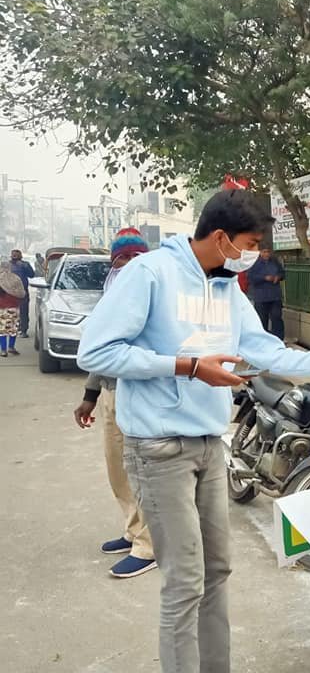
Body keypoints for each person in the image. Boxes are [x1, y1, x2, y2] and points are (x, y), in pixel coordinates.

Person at [77, 190, 310, 673]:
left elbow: (266, 350)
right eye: (252, 243)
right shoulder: (149, 275)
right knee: (185, 580)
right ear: (221, 238)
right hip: (158, 447)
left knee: (216, 570)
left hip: (208, 444)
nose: (256, 254)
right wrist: (189, 367)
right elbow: (94, 353)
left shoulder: (226, 290)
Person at [73, 229, 156, 578]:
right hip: (110, 392)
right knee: (117, 469)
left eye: (136, 257)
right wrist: (89, 397)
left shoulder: (151, 295)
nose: (128, 264)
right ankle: (132, 529)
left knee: (140, 471)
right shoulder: (111, 294)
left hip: (137, 394)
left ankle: (150, 545)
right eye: (122, 259)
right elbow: (100, 350)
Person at [247, 247, 285, 340]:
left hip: (275, 296)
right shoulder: (254, 264)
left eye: (268, 252)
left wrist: (278, 277)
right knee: (262, 319)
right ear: (260, 252)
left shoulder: (274, 262)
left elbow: (283, 273)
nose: (267, 254)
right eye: (264, 252)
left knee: (277, 318)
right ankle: (263, 340)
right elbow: (251, 278)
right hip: (261, 297)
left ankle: (278, 339)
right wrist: (264, 278)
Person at [9, 249, 35, 338]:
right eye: (13, 255)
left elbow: (32, 274)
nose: (15, 256)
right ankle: (13, 328)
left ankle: (23, 330)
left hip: (22, 292)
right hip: (9, 292)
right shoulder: (7, 265)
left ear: (20, 256)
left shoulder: (25, 264)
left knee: (23, 311)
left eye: (16, 255)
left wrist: (24, 266)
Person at [0, 262, 21, 357]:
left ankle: (3, 350)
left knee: (2, 329)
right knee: (13, 328)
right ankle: (11, 347)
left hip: (1, 308)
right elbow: (22, 293)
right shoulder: (15, 278)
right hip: (14, 307)